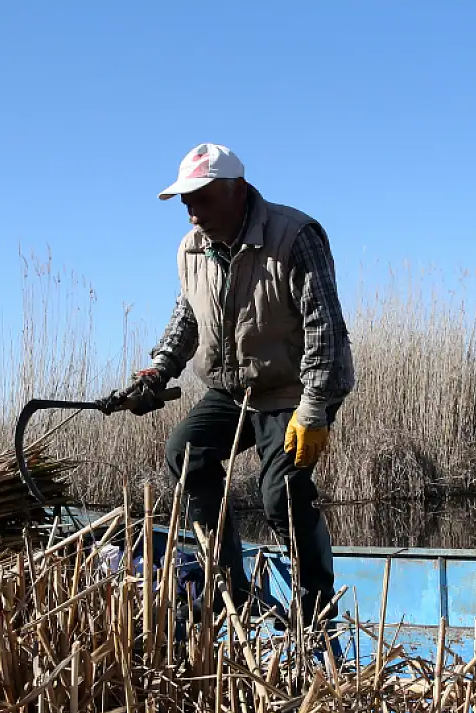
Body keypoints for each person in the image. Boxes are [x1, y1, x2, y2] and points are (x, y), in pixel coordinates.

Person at [112, 143, 355, 634]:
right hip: (232, 389)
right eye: (185, 201)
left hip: (293, 388)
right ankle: (227, 585)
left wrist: (313, 408)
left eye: (200, 198)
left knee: (280, 491)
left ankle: (316, 612)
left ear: (236, 191)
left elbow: (324, 328)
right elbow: (188, 316)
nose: (191, 212)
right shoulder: (191, 248)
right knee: (186, 449)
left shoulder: (295, 236)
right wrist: (159, 371)